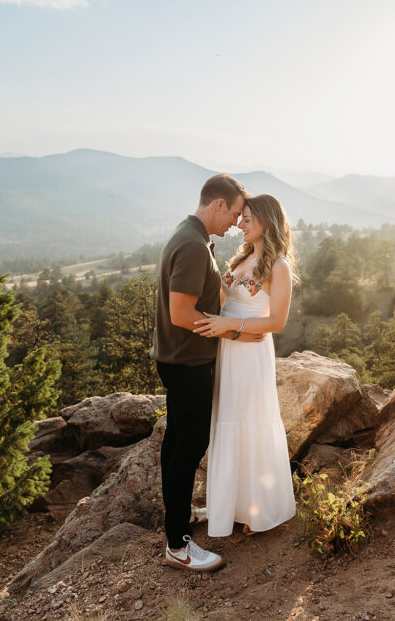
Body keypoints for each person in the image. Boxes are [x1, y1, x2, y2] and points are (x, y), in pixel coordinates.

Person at [152, 173, 264, 572]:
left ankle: (178, 519)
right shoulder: (193, 245)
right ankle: (178, 546)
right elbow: (180, 313)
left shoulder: (192, 237)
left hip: (178, 359)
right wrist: (231, 329)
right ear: (218, 204)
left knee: (177, 443)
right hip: (187, 362)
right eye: (233, 213)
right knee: (189, 448)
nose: (235, 222)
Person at [193, 194, 298, 537]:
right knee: (229, 422)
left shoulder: (278, 266)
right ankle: (231, 506)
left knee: (251, 424)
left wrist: (231, 327)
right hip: (229, 353)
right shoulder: (241, 260)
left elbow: (277, 323)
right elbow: (223, 300)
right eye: (241, 218)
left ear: (267, 221)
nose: (240, 223)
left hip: (251, 355)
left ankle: (260, 509)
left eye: (248, 218)